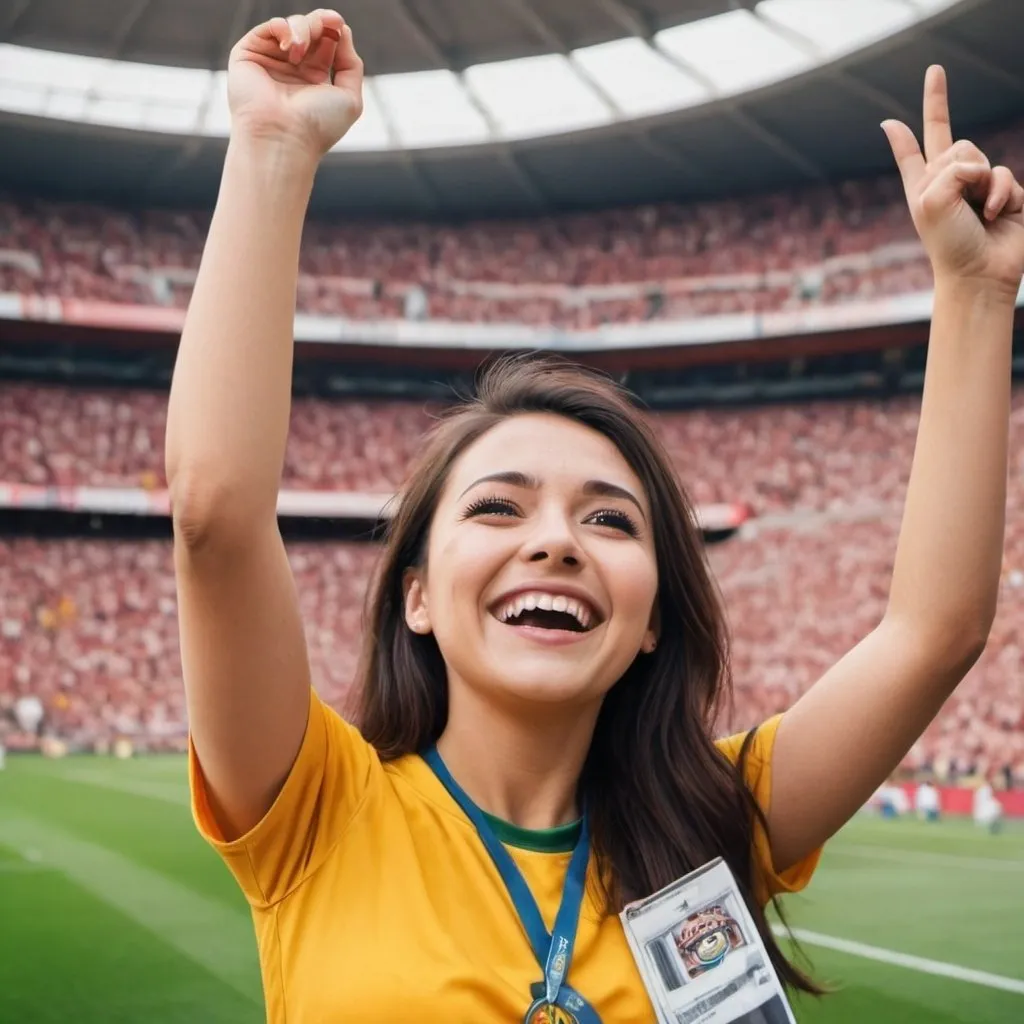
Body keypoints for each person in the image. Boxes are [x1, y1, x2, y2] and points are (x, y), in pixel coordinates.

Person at [165, 9, 1024, 1022]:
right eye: (498, 506)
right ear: (417, 596)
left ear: (654, 613)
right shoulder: (318, 806)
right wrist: (272, 145)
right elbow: (217, 514)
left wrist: (971, 295)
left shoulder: (715, 817)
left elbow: (933, 633)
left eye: (611, 522)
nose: (556, 540)